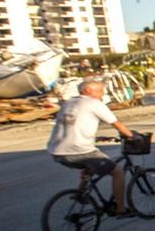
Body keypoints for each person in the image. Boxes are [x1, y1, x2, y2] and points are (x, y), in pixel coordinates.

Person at [47, 78, 138, 216]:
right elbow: (116, 123)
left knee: (91, 165)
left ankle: (80, 194)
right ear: (88, 91)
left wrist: (96, 138)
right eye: (100, 91)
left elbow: (73, 126)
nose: (102, 95)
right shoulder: (93, 103)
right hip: (78, 151)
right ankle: (121, 209)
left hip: (57, 152)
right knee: (117, 171)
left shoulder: (69, 102)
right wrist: (132, 136)